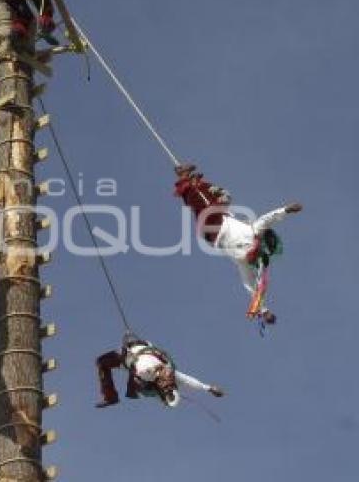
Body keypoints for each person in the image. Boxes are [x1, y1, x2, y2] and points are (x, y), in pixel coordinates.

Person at [174, 163, 302, 323]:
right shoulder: (255, 231)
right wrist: (286, 210)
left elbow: (253, 287)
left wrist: (263, 311)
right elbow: (267, 219)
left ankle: (185, 180)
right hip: (220, 220)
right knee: (217, 199)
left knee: (206, 206)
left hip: (215, 231)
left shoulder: (249, 265)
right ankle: (194, 182)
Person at [95, 333, 224, 408]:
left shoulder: (152, 380)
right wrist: (208, 388)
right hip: (139, 352)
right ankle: (111, 397)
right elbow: (188, 381)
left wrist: (208, 388)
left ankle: (111, 397)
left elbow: (187, 382)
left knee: (102, 363)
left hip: (133, 357)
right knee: (103, 363)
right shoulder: (171, 374)